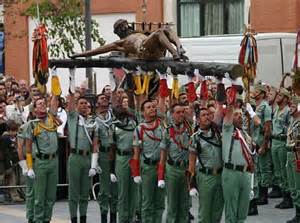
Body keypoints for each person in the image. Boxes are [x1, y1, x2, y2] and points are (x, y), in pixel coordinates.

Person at [71, 19, 187, 61]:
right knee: (159, 32)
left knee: (166, 29)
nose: (127, 27)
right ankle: (175, 53)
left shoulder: (139, 33)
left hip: (155, 49)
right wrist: (79, 55)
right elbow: (98, 50)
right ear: (119, 31)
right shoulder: (120, 43)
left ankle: (179, 48)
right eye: (123, 27)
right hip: (144, 52)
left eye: (126, 25)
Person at [24, 95, 60, 223]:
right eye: (39, 104)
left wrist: (54, 77)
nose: (43, 104)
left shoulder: (51, 119)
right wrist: (29, 167)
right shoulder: (31, 125)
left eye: (44, 103)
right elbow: (28, 149)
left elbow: (55, 101)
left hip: (54, 161)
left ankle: (46, 220)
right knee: (39, 197)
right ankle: (37, 220)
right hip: (41, 162)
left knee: (50, 196)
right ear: (34, 110)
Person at [221, 86, 254, 223]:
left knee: (242, 213)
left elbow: (251, 160)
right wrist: (233, 90)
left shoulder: (246, 136)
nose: (239, 116)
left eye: (241, 115)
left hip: (246, 174)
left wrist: (253, 183)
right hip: (231, 172)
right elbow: (228, 112)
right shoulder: (228, 130)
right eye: (236, 114)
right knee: (231, 213)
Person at [131, 100, 165, 223]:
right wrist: (136, 173)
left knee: (160, 202)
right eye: (148, 107)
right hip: (148, 168)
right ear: (142, 111)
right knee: (147, 202)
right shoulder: (139, 129)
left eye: (153, 107)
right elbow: (136, 153)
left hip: (161, 167)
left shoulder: (163, 126)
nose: (152, 109)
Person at [67, 92, 98, 223]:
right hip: (75, 157)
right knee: (73, 192)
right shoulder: (73, 118)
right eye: (81, 103)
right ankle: (74, 219)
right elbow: (70, 104)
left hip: (87, 158)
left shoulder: (92, 122)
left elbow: (95, 144)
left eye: (86, 103)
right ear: (77, 105)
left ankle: (83, 219)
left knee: (85, 192)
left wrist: (94, 165)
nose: (84, 105)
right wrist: (71, 81)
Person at [188, 107, 223, 223]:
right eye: (203, 115)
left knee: (217, 210)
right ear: (197, 120)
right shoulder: (195, 137)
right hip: (205, 176)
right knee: (205, 212)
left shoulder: (218, 134)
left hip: (220, 175)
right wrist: (191, 184)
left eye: (208, 114)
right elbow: (191, 163)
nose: (207, 116)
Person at [161, 103, 192, 222]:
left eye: (182, 112)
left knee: (184, 205)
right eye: (177, 112)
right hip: (172, 169)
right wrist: (161, 175)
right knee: (172, 204)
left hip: (186, 169)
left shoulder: (189, 129)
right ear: (172, 114)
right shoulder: (168, 131)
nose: (181, 115)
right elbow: (163, 155)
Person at [111, 105, 138, 223]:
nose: (121, 112)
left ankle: (131, 217)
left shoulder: (132, 123)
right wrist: (111, 170)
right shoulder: (113, 126)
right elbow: (112, 148)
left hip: (133, 156)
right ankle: (122, 218)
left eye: (123, 110)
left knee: (133, 190)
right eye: (119, 112)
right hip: (121, 157)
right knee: (122, 191)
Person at [247, 84, 272, 206]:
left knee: (264, 169)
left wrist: (264, 144)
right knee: (258, 169)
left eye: (257, 90)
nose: (254, 92)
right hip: (255, 141)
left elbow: (267, 128)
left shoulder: (265, 107)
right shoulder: (256, 107)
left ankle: (264, 195)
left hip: (262, 140)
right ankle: (259, 194)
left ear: (262, 94)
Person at [94, 93, 118, 223]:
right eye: (101, 98)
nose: (105, 99)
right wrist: (95, 161)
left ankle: (113, 216)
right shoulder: (94, 120)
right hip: (103, 155)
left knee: (115, 187)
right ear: (97, 103)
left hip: (114, 153)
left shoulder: (113, 117)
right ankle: (104, 215)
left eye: (106, 98)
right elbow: (94, 142)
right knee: (104, 189)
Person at [272, 88, 293, 209]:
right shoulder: (276, 110)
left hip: (281, 142)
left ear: (285, 98)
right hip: (274, 141)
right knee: (278, 171)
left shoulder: (287, 111)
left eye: (280, 95)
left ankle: (288, 198)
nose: (278, 96)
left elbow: (289, 129)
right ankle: (284, 195)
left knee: (284, 172)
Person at [286, 96, 300, 223]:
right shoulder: (292, 120)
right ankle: (297, 212)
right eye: (290, 106)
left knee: (298, 185)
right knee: (292, 185)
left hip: (297, 155)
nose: (291, 108)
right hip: (289, 153)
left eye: (294, 106)